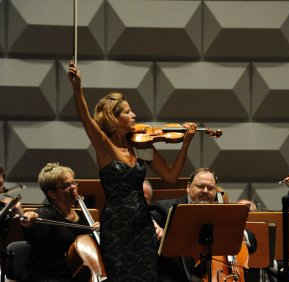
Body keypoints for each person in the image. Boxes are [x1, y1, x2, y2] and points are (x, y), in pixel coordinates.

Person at [68, 61, 197, 281]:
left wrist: (186, 143)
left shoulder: (141, 146)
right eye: (128, 112)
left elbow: (170, 176)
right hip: (117, 228)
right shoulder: (105, 147)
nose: (134, 115)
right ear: (113, 117)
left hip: (142, 227)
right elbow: (86, 120)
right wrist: (77, 88)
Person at [149, 168, 257, 282]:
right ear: (188, 186)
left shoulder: (220, 213)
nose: (205, 191)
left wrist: (238, 233)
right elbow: (149, 219)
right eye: (200, 186)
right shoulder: (166, 207)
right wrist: (153, 225)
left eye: (210, 188)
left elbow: (252, 242)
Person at [20, 162, 99, 281]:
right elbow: (34, 233)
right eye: (66, 185)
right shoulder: (46, 214)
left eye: (74, 183)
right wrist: (29, 222)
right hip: (45, 277)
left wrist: (99, 232)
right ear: (52, 194)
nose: (73, 187)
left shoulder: (84, 218)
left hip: (73, 277)